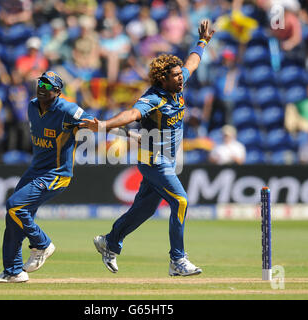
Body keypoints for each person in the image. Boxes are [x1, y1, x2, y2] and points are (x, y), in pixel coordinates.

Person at [80, 20, 215, 276]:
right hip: (153, 159)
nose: (181, 78)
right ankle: (177, 260)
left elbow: (192, 63)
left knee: (145, 209)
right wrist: (104, 124)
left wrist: (203, 42)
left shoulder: (178, 84)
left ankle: (110, 241)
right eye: (175, 76)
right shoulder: (153, 97)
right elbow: (131, 113)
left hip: (166, 159)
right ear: (162, 79)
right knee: (181, 201)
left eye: (179, 75)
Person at [0, 71, 93, 283]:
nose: (42, 88)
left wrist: (129, 133)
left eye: (47, 86)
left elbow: (96, 123)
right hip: (35, 170)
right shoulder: (32, 106)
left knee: (15, 205)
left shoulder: (68, 109)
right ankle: (14, 271)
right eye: (40, 84)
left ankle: (42, 243)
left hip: (57, 173)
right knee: (13, 217)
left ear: (58, 92)